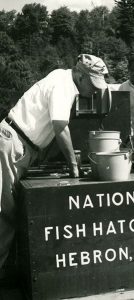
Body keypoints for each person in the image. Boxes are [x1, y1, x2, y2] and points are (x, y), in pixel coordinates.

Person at [0, 54, 109, 270]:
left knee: (8, 212)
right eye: (93, 83)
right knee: (5, 213)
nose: (95, 90)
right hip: (13, 144)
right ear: (80, 75)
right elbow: (60, 127)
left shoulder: (61, 77)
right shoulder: (64, 86)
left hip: (19, 145)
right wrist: (74, 166)